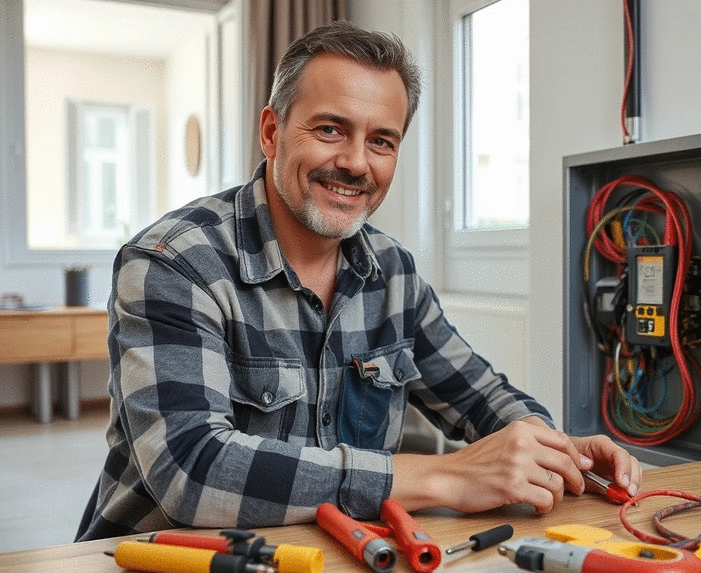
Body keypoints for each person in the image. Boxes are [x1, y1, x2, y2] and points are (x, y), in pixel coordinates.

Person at [76, 20, 641, 542]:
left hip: (333, 566)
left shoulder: (393, 273)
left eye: (382, 141)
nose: (354, 163)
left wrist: (552, 450)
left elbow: (480, 397)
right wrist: (440, 478)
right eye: (330, 129)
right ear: (272, 132)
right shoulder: (172, 263)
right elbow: (191, 470)